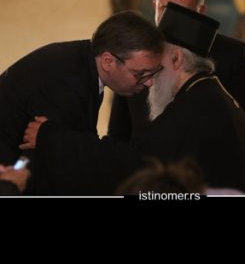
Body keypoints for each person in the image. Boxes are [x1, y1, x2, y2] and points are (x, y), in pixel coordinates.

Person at [23, 3, 245, 195]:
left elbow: (133, 161)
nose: (151, 77)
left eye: (158, 60)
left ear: (176, 58)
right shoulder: (208, 93)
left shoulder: (197, 104)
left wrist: (52, 139)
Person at [108, 0, 245, 191]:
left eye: (182, 11)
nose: (150, 80)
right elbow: (121, 134)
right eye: (165, 9)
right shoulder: (135, 55)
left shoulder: (211, 81)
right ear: (155, 6)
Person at [0, 11, 164, 194]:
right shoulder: (65, 81)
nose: (149, 82)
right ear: (108, 61)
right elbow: (57, 166)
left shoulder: (84, 64)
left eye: (153, 73)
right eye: (140, 74)